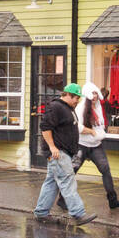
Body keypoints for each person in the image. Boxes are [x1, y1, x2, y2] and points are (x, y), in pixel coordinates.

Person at [33, 82, 97, 226]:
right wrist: (52, 147)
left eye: (78, 98)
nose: (77, 100)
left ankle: (41, 213)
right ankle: (78, 214)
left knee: (52, 183)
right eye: (75, 97)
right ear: (67, 94)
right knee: (68, 182)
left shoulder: (68, 109)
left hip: (63, 153)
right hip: (58, 153)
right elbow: (45, 127)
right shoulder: (56, 107)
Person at [73, 81, 119, 210]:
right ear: (87, 95)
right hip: (81, 145)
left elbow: (101, 125)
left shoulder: (98, 107)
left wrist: (101, 132)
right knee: (72, 171)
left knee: (105, 170)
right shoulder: (80, 108)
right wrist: (92, 132)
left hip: (96, 145)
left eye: (96, 93)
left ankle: (113, 200)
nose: (95, 96)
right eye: (93, 93)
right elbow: (78, 127)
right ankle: (63, 200)